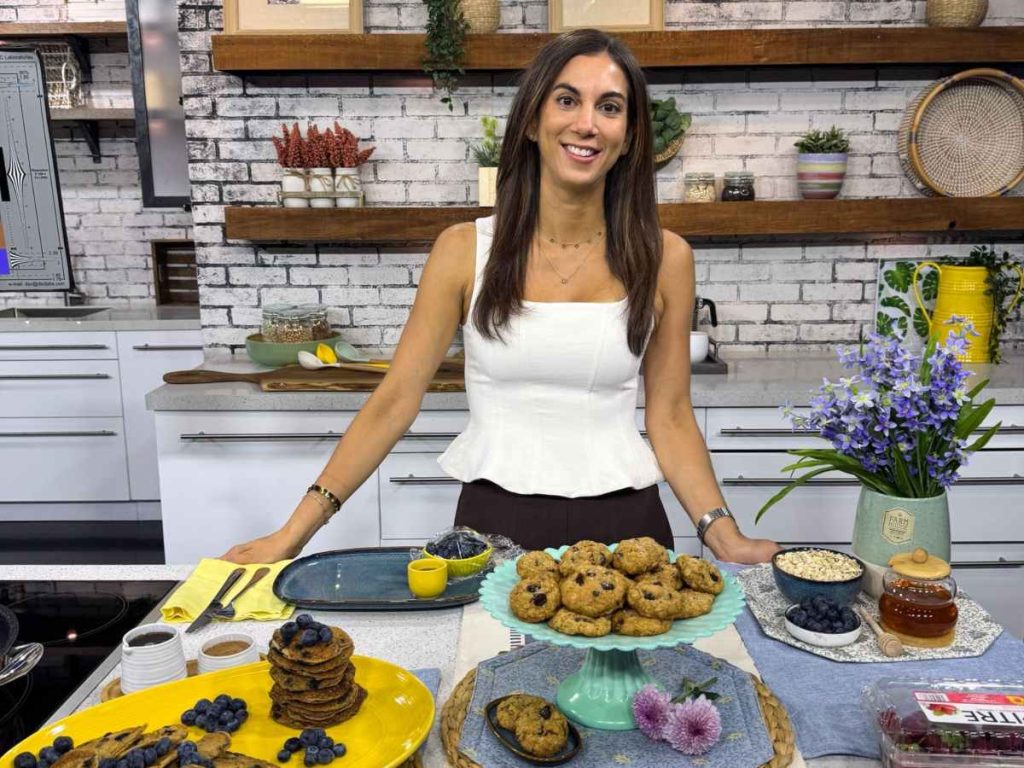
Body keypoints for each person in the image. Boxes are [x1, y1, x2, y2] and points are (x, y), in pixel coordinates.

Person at [223, 29, 779, 565]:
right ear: (534, 121)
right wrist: (293, 532)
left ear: (629, 135)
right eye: (567, 100)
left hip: (628, 528)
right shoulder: (461, 251)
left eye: (610, 107)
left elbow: (672, 415)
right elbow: (394, 400)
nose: (587, 124)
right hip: (494, 524)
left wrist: (723, 536)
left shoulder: (667, 258)